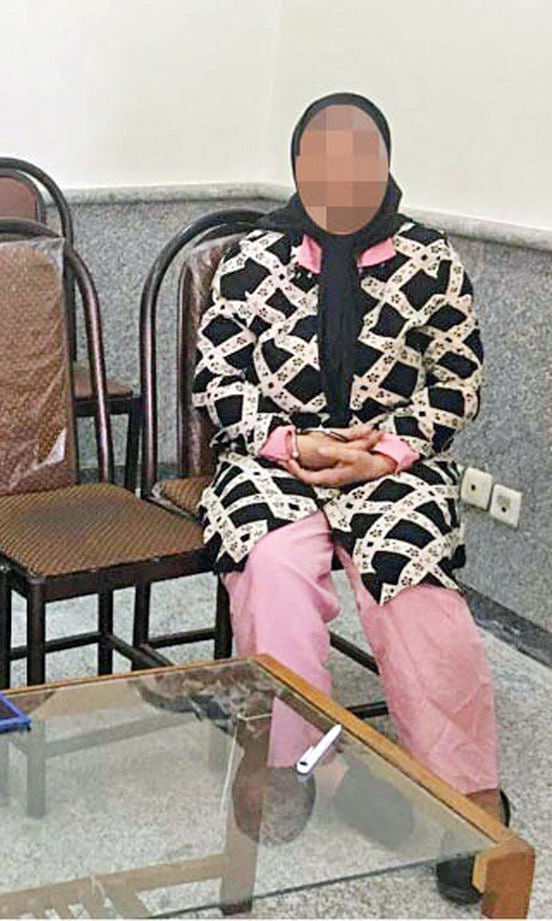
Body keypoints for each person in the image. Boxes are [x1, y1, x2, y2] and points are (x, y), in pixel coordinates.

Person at [193, 92, 504, 902]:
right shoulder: (252, 260)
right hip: (274, 460)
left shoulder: (430, 260)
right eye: (322, 156)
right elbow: (217, 381)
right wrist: (291, 444)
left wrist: (388, 450)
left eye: (361, 155)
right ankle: (303, 763)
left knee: (416, 589)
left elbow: (458, 382)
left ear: (388, 163)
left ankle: (465, 791)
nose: (342, 173)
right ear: (297, 166)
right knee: (272, 571)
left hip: (387, 462)